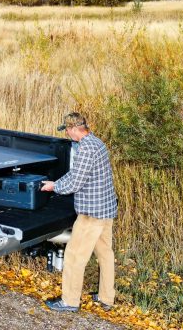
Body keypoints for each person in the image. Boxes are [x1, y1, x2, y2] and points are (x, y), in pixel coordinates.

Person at [40, 112, 118, 313]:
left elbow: (75, 182)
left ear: (75, 129)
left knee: (74, 256)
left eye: (67, 129)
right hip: (105, 210)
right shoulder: (97, 142)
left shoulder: (85, 149)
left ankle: (70, 301)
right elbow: (76, 174)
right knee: (105, 254)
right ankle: (106, 297)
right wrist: (57, 182)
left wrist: (53, 187)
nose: (66, 133)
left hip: (91, 214)